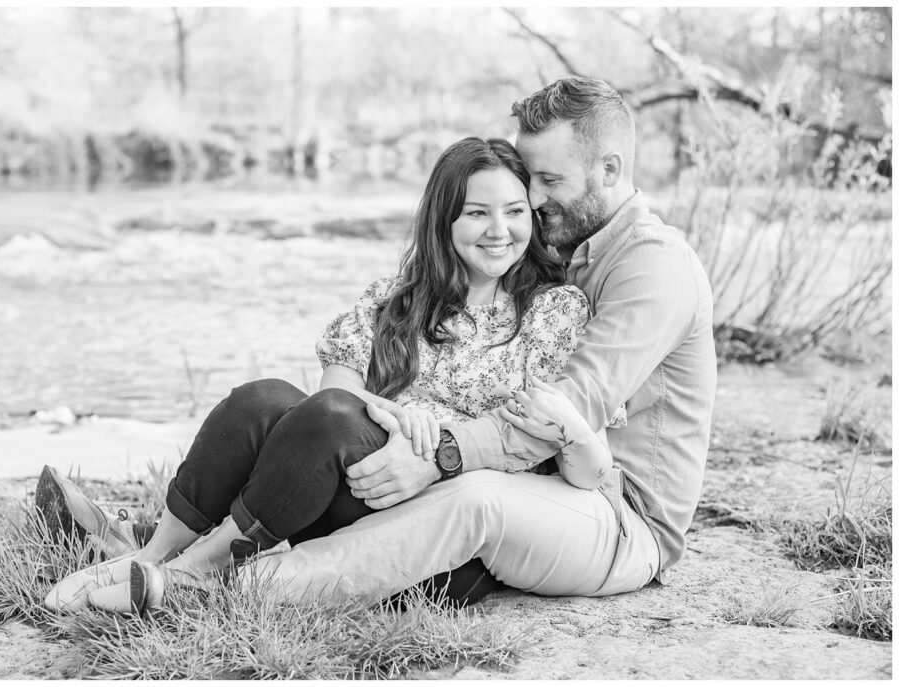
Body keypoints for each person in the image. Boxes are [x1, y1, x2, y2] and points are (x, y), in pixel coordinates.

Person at [171, 75, 716, 603]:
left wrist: (439, 455)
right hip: (544, 493)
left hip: (616, 514)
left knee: (469, 498)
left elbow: (571, 407)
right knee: (277, 404)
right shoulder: (561, 249)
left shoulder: (652, 268)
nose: (534, 197)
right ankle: (160, 553)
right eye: (529, 182)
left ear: (610, 169)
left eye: (548, 181)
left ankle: (231, 581)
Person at [42, 135, 611, 615]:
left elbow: (539, 435)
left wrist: (434, 442)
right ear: (445, 219)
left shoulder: (551, 312)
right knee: (262, 399)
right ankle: (150, 556)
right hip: (363, 492)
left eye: (514, 212)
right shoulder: (399, 298)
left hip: (443, 544)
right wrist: (395, 415)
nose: (498, 230)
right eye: (477, 212)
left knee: (335, 419)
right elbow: (335, 387)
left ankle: (196, 573)